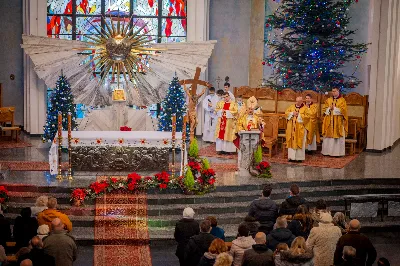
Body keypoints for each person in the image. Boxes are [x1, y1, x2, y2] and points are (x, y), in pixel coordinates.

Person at [322, 87, 348, 156]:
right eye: (332, 91)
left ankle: (337, 153)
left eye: (335, 91)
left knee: (337, 137)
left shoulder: (342, 100)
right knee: (328, 137)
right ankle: (327, 152)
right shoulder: (328, 100)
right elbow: (324, 109)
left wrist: (335, 108)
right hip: (329, 121)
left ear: (338, 91)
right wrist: (329, 109)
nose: (333, 93)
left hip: (338, 121)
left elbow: (344, 110)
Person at [285, 96, 308, 162]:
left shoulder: (305, 108)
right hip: (291, 128)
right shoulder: (291, 107)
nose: (297, 103)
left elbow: (307, 117)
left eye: (299, 101)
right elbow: (286, 113)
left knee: (300, 141)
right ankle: (291, 157)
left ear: (301, 101)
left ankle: (299, 158)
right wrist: (292, 113)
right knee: (291, 141)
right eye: (296, 101)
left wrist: (299, 115)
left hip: (300, 129)